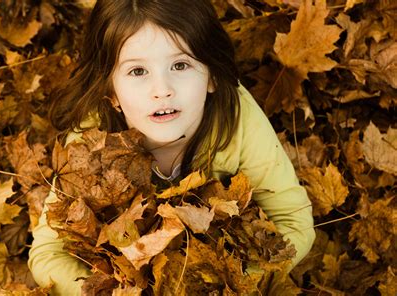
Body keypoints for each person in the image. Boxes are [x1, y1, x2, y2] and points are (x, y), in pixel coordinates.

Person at [28, 0, 315, 294]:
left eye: (180, 65)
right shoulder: (91, 141)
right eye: (138, 71)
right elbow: (48, 254)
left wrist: (233, 283)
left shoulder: (237, 118)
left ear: (212, 76)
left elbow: (294, 220)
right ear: (110, 91)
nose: (162, 89)